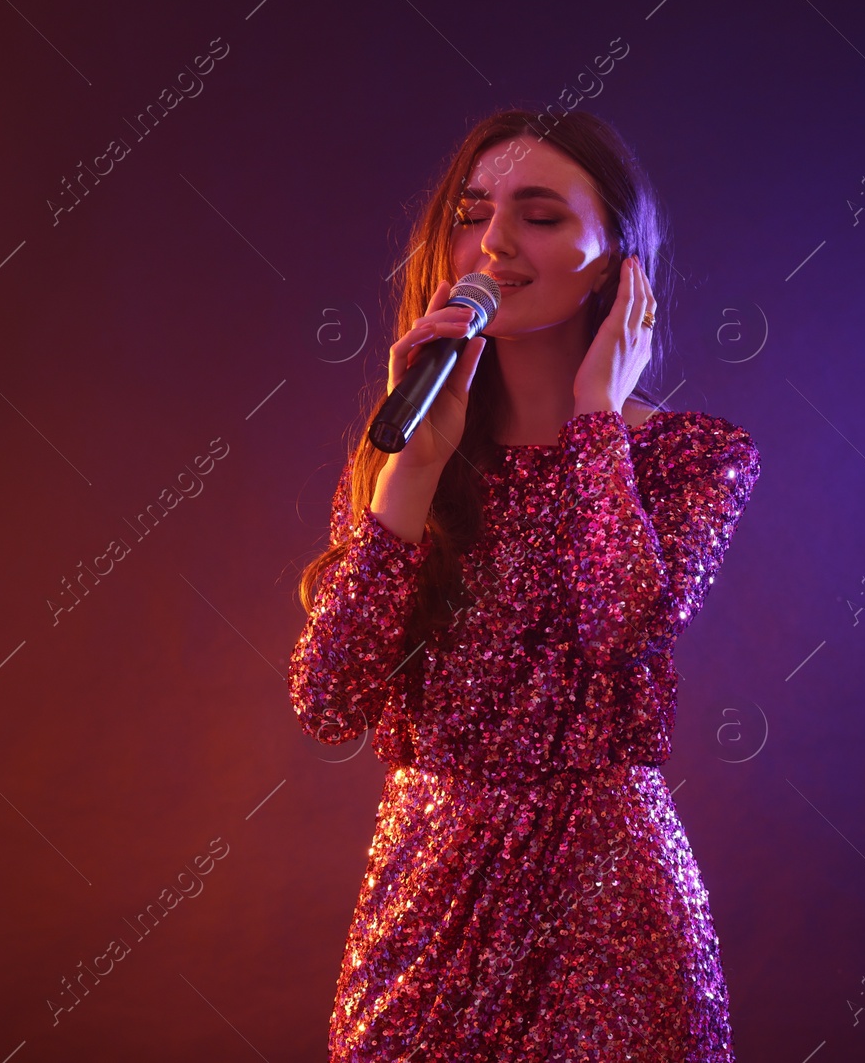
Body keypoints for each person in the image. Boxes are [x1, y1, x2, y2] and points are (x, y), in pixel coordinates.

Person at [288, 107, 760, 1061]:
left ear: (618, 262)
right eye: (472, 211)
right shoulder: (403, 465)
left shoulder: (692, 459)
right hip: (425, 896)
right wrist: (413, 472)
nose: (494, 241)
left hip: (606, 906)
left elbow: (617, 619)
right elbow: (328, 700)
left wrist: (595, 422)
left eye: (539, 215)